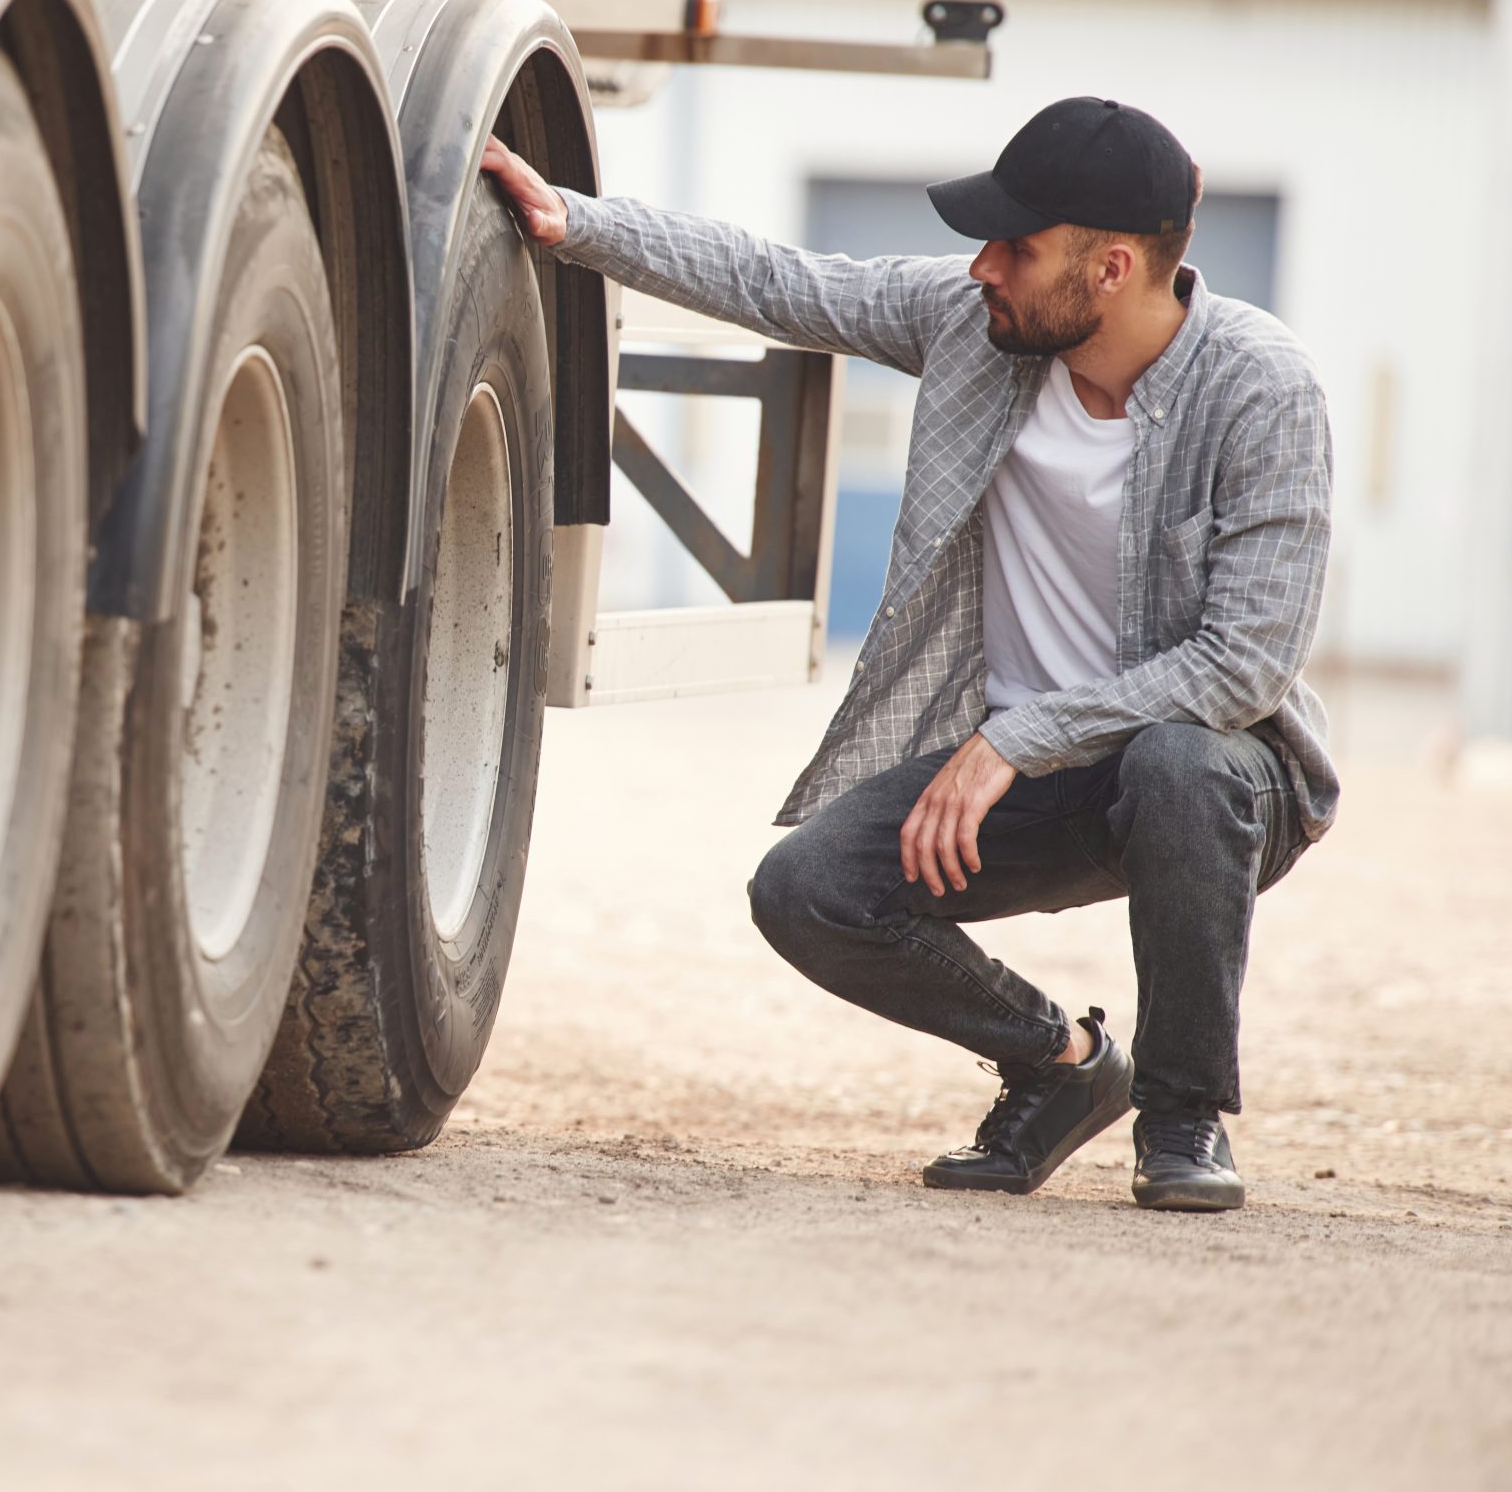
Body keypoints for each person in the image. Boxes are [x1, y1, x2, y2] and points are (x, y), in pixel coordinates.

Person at [481, 97, 1335, 1212]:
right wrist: (577, 223)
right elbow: (784, 281)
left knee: (1181, 761)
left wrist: (1013, 741)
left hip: (1215, 781)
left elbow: (1244, 664)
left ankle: (1182, 1120)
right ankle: (1061, 1066)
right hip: (1029, 775)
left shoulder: (1261, 387)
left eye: (1015, 246)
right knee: (809, 889)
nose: (981, 266)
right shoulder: (971, 325)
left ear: (1113, 268)